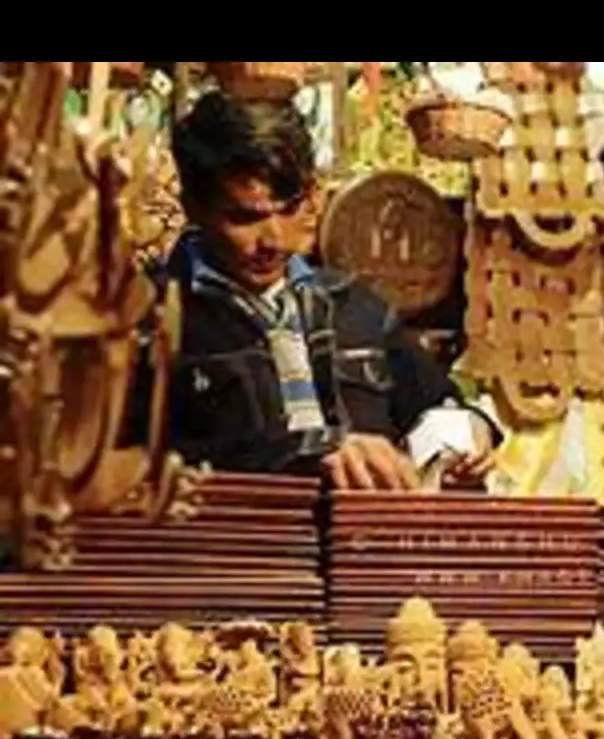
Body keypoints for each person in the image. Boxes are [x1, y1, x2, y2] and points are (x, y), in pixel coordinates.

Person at [157, 91, 498, 489]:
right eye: (244, 217)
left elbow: (439, 402)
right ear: (194, 207)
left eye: (289, 210)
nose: (274, 240)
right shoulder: (146, 317)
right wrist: (310, 452)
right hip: (228, 546)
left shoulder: (353, 306)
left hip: (361, 543)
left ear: (314, 197)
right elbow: (123, 465)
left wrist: (468, 432)